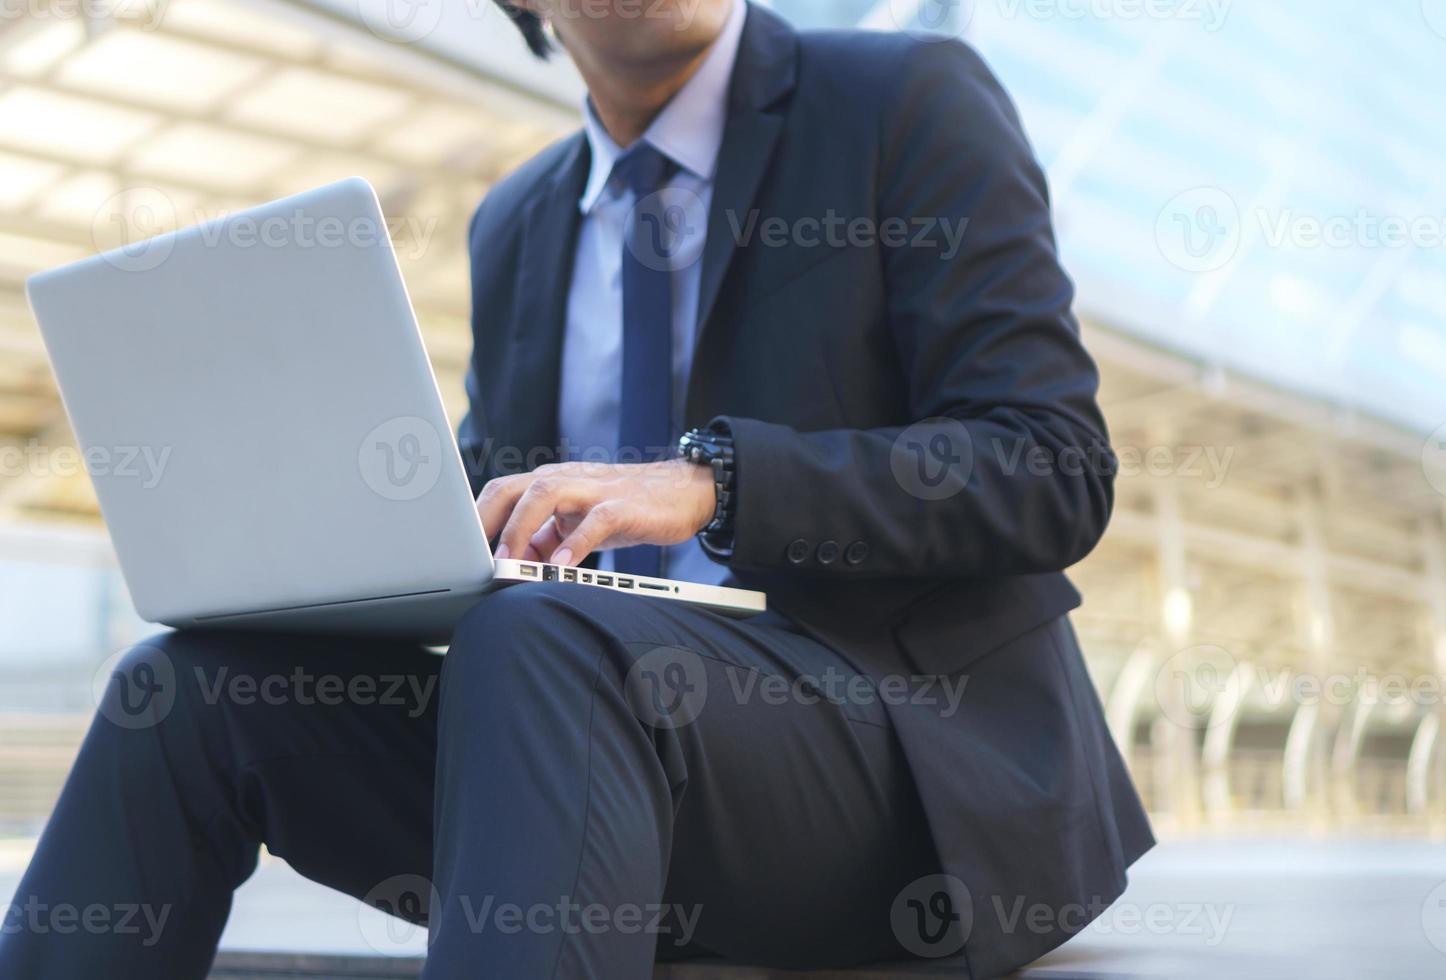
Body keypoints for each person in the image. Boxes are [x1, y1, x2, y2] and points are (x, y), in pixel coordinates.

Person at [0, 0, 1152, 976]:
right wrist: (312, 525)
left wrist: (713, 481)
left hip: (897, 771)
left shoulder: (906, 99)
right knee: (188, 688)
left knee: (541, 633)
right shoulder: (518, 222)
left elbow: (1050, 462)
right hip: (587, 752)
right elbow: (502, 497)